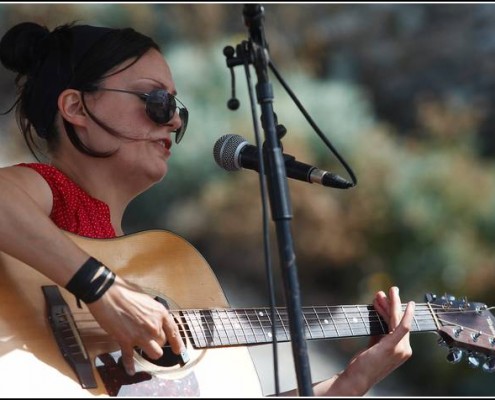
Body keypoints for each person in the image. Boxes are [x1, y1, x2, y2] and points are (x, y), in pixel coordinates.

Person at [0, 21, 415, 396]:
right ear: (75, 108)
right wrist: (104, 291)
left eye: (177, 109)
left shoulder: (145, 263)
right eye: (158, 101)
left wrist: (352, 380)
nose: (175, 122)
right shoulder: (47, 192)